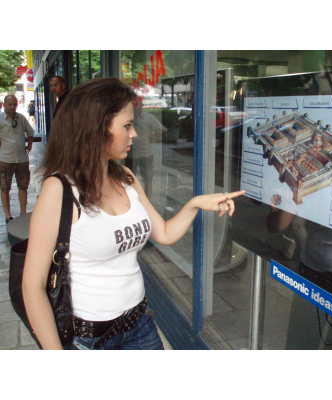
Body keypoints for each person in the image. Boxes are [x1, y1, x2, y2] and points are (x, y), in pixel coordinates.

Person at [22, 77, 245, 350]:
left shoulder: (126, 178)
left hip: (140, 326)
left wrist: (195, 204)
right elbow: (32, 288)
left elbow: (162, 232)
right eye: (127, 125)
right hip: (89, 339)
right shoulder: (59, 190)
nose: (134, 134)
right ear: (96, 129)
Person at [0, 95, 34, 224]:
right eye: (10, 104)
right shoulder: (1, 119)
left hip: (21, 159)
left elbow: (30, 132)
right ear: (4, 105)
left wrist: (29, 145)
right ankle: (8, 216)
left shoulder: (21, 118)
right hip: (5, 159)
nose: (13, 107)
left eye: (15, 104)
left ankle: (23, 212)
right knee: (4, 188)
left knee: (23, 186)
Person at [125, 99, 166, 199]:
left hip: (146, 154)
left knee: (147, 179)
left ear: (142, 105)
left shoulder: (149, 118)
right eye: (133, 105)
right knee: (129, 179)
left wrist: (154, 137)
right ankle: (130, 200)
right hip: (130, 154)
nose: (135, 107)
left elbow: (163, 130)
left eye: (137, 105)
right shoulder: (127, 118)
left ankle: (148, 201)